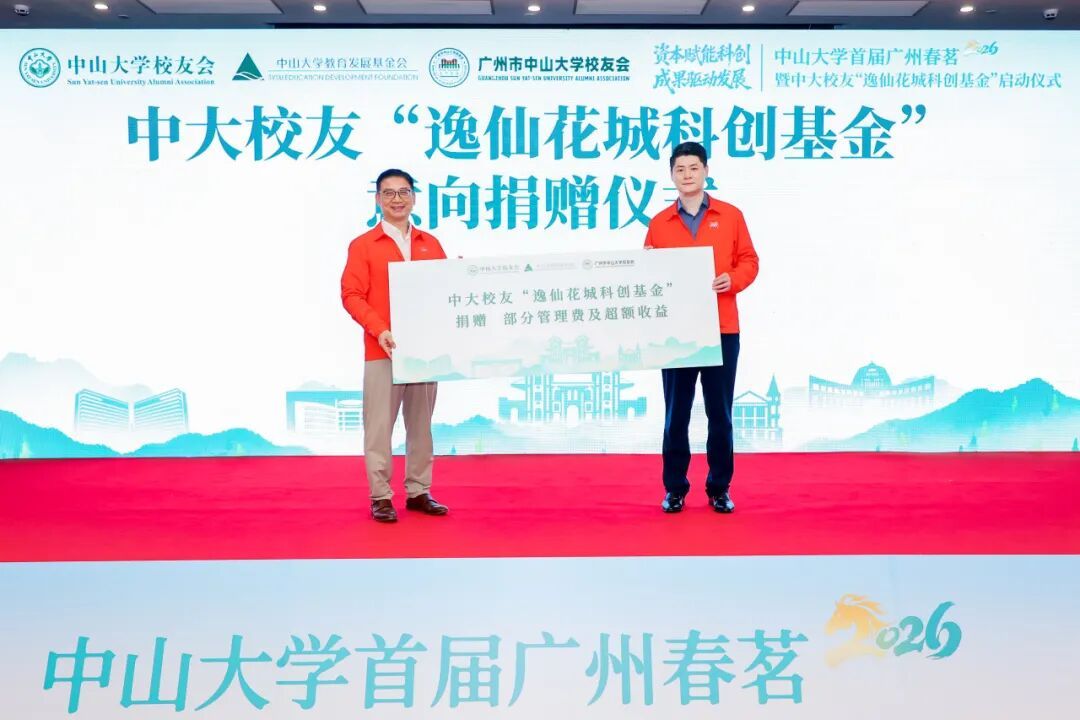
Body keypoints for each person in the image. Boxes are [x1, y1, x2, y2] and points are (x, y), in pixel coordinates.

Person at [644, 142, 759, 514]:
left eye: (694, 168)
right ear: (671, 175)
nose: (687, 175)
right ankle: (674, 488)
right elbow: (647, 277)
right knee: (675, 415)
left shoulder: (730, 216)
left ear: (706, 171)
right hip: (676, 333)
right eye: (680, 169)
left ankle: (719, 488)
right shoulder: (659, 224)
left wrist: (733, 279)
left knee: (719, 414)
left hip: (721, 328)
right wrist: (645, 268)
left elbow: (750, 260)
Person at [341, 169, 449, 523]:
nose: (397, 199)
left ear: (414, 197)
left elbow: (445, 291)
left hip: (425, 352)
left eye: (404, 192)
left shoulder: (430, 244)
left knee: (421, 425)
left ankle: (418, 490)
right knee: (379, 427)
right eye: (389, 193)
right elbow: (352, 295)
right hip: (382, 349)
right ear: (378, 199)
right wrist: (380, 330)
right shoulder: (363, 245)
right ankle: (381, 496)